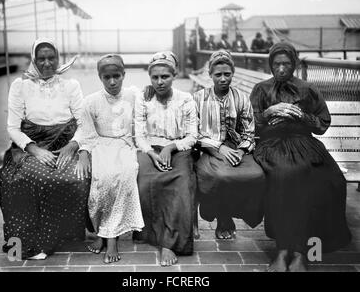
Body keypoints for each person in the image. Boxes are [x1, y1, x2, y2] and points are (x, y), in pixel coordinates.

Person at [250, 41, 352, 272]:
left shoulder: (308, 89)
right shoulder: (261, 89)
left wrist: (302, 116)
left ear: (294, 64)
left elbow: (322, 124)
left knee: (328, 179)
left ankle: (300, 251)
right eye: (277, 64)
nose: (282, 69)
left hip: (304, 143)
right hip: (272, 144)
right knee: (286, 175)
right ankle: (284, 249)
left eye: (286, 64)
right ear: (270, 65)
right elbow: (249, 125)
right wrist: (267, 113)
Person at [0, 38, 90, 260]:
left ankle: (63, 237)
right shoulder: (20, 86)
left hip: (65, 144)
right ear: (33, 60)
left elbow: (84, 122)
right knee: (27, 177)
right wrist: (35, 150)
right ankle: (27, 243)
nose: (46, 63)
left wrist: (73, 145)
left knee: (75, 177)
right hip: (31, 146)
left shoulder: (71, 86)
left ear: (58, 59)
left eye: (51, 58)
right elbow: (13, 128)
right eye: (41, 58)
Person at [74, 54, 144, 264]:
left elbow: (147, 110)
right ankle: (103, 233)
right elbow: (86, 132)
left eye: (117, 76)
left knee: (124, 176)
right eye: (107, 77)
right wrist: (84, 152)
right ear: (100, 77)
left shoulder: (133, 95)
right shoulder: (91, 101)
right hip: (101, 145)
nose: (112, 82)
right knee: (102, 180)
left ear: (124, 75)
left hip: (125, 145)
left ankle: (111, 239)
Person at [134, 51, 198, 266]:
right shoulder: (144, 99)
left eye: (165, 76)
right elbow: (139, 135)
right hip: (149, 148)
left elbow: (192, 135)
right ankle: (147, 233)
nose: (160, 82)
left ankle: (170, 243)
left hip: (178, 147)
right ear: (150, 78)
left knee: (180, 183)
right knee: (145, 180)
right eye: (155, 77)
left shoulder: (185, 99)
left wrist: (170, 148)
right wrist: (151, 153)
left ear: (174, 75)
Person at [194, 50, 265, 240]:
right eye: (218, 75)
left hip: (237, 148)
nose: (223, 79)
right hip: (208, 149)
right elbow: (193, 132)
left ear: (233, 73)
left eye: (227, 74)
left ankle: (236, 214)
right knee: (221, 176)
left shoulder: (241, 97)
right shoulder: (199, 98)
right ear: (210, 75)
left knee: (256, 175)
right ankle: (223, 217)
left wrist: (241, 151)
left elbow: (249, 130)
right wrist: (219, 147)